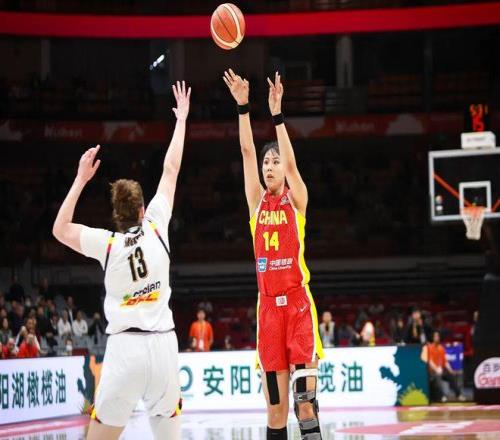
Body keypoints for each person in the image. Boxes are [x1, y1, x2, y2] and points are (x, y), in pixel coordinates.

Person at [52, 80, 190, 440]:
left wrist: (81, 179)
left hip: (124, 350)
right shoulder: (157, 226)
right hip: (162, 346)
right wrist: (181, 120)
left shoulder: (107, 244)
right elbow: (171, 169)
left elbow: (60, 229)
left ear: (116, 215)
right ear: (143, 210)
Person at [224, 69, 324, 440]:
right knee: (276, 409)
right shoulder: (256, 203)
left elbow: (293, 165)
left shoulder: (297, 200)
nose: (269, 166)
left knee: (304, 404)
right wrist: (243, 107)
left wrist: (277, 115)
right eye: (267, 162)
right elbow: (246, 151)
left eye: (275, 161)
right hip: (268, 313)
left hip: (298, 307)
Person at [422, 330, 466, 402]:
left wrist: (450, 370)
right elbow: (430, 362)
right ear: (432, 338)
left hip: (441, 370)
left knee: (451, 376)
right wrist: (436, 370)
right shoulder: (429, 348)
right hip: (432, 371)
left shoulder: (441, 348)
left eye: (438, 336)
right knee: (437, 377)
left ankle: (459, 395)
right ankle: (442, 396)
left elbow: (445, 362)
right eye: (435, 336)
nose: (437, 338)